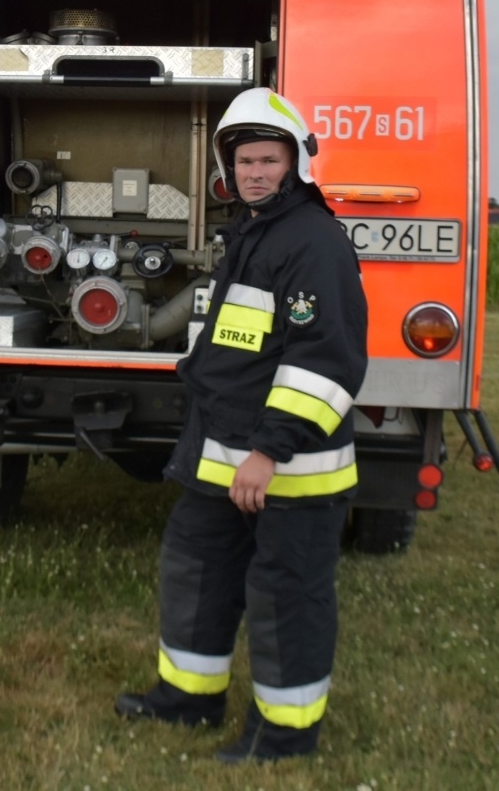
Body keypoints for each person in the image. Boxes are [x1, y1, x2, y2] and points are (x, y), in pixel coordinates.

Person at [115, 88, 368, 764]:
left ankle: (285, 735)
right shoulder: (255, 234)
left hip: (285, 467)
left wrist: (267, 452)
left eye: (268, 159)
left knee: (286, 595)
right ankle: (188, 699)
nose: (255, 172)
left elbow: (325, 365)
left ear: (296, 165)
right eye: (245, 161)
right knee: (197, 571)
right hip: (223, 456)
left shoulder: (314, 243)